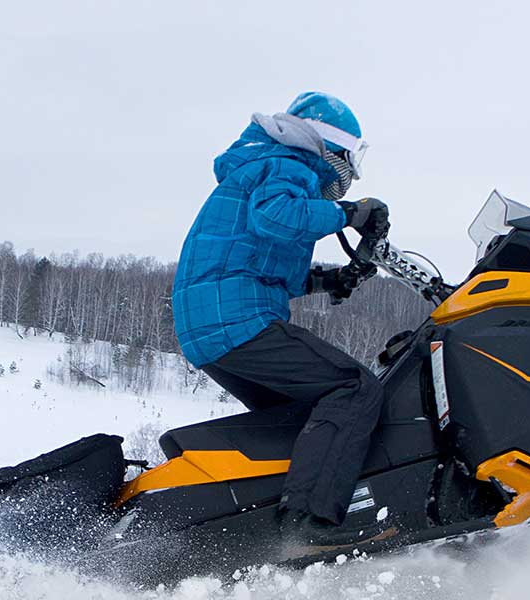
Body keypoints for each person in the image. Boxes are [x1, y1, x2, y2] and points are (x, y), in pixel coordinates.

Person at [171, 92, 390, 537]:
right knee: (353, 387)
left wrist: (329, 281)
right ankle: (307, 524)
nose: (348, 168)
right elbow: (275, 216)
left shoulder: (265, 166)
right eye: (349, 154)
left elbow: (263, 263)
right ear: (329, 145)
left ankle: (258, 527)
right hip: (236, 322)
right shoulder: (289, 163)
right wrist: (349, 213)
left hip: (212, 327)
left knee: (305, 417)